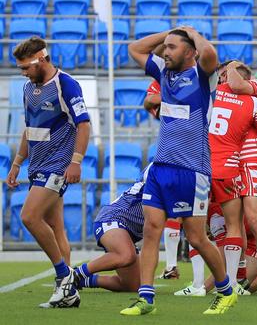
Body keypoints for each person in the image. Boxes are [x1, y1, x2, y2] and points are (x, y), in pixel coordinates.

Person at [123, 27, 236, 315]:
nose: (165, 51)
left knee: (197, 237)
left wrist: (191, 33)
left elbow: (210, 54)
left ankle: (225, 290)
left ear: (190, 52)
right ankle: (145, 298)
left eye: (172, 47)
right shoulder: (164, 72)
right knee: (151, 230)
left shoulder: (202, 75)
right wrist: (168, 34)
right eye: (165, 47)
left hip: (192, 169)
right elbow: (135, 48)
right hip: (161, 166)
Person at [7, 37, 90, 308]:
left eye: (26, 67)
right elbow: (29, 129)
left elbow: (84, 125)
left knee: (29, 216)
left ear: (41, 59)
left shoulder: (66, 84)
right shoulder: (28, 88)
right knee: (56, 229)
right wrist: (18, 162)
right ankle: (66, 293)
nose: (24, 73)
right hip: (37, 166)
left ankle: (64, 276)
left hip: (57, 165)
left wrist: (76, 161)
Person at [208, 61, 257, 296]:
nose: (222, 80)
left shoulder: (256, 89)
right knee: (233, 222)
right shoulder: (218, 97)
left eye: (224, 75)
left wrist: (251, 127)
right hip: (233, 163)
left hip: (253, 162)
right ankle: (234, 278)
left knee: (253, 217)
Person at [74, 165, 151, 292]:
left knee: (132, 285)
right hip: (113, 218)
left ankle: (83, 281)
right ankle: (73, 275)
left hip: (128, 230)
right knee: (126, 255)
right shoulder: (158, 169)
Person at [142, 78, 183, 280]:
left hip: (195, 154)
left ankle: (227, 277)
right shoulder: (164, 77)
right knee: (176, 214)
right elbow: (149, 101)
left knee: (201, 227)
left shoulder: (201, 77)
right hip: (177, 153)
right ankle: (171, 266)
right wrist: (178, 99)